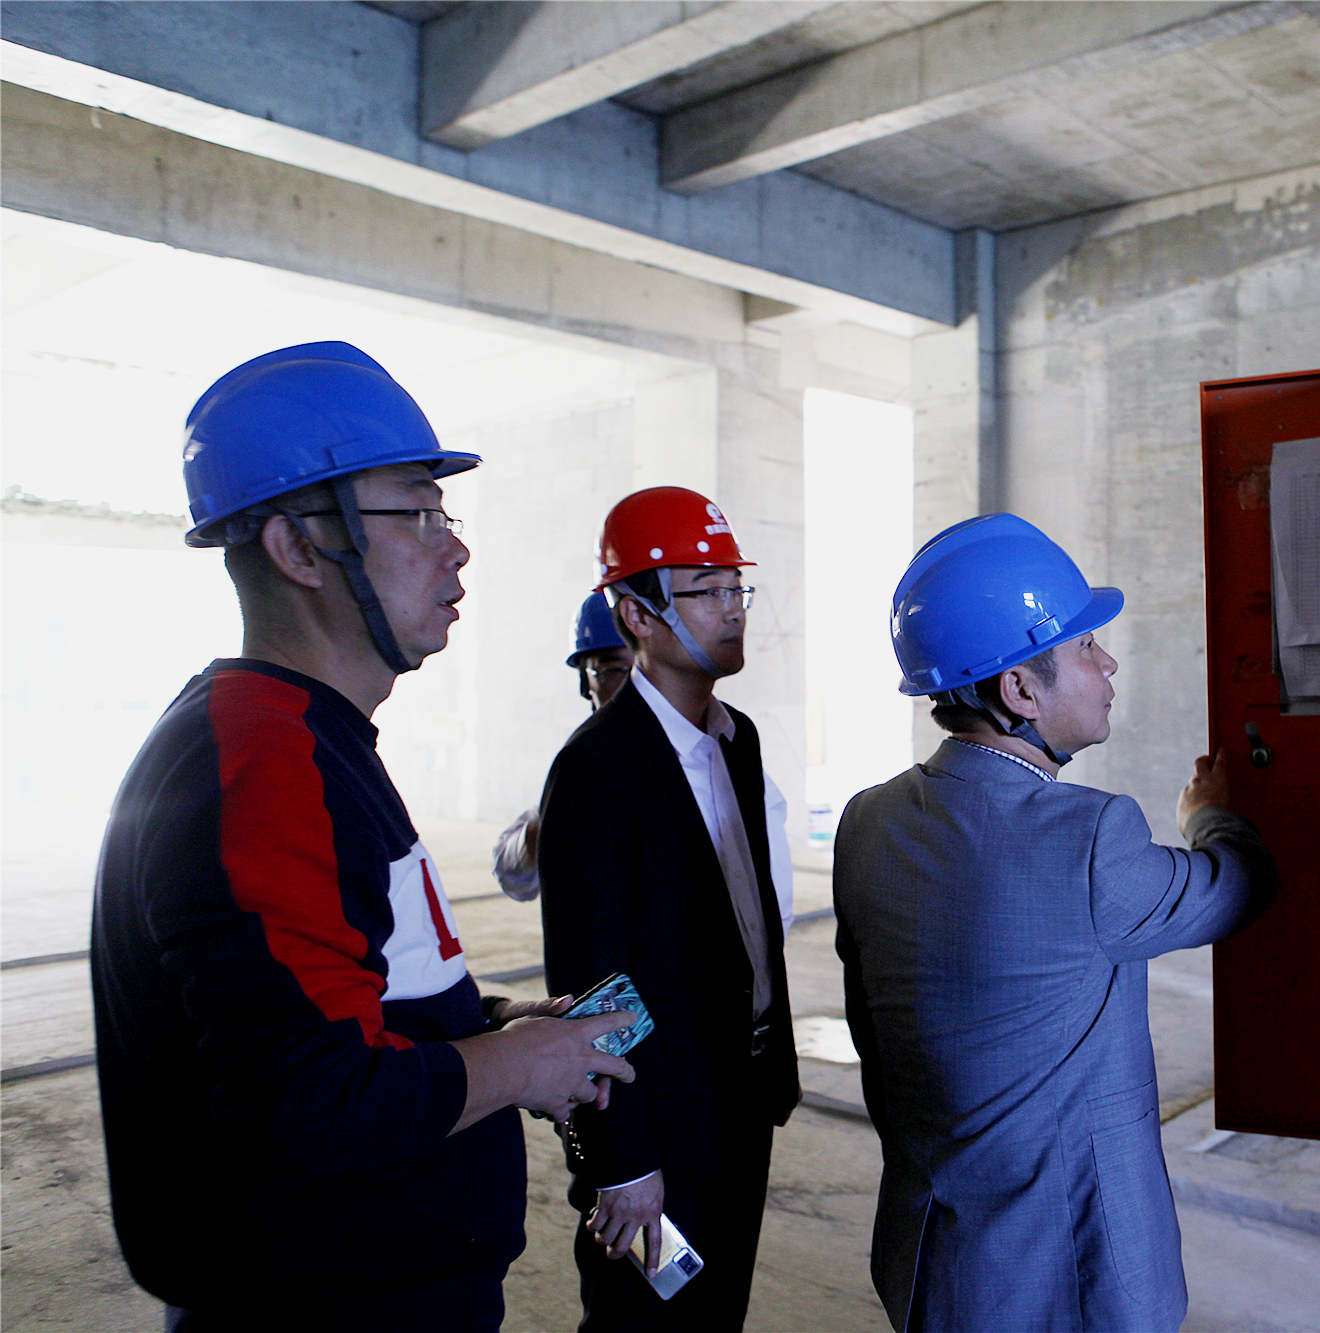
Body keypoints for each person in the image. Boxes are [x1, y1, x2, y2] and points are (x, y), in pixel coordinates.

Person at [90, 342, 638, 1332]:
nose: (454, 549)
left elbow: (343, 1000)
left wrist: (499, 1025)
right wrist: (521, 1065)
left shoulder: (308, 738)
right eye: (417, 513)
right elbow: (312, 1099)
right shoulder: (264, 760)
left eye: (445, 515)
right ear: (301, 548)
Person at [833, 513, 1279, 1332]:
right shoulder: (1090, 837)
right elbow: (1237, 887)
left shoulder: (868, 821)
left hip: (934, 1265)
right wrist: (1210, 815)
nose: (1108, 664)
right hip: (1071, 1282)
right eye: (1085, 646)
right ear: (1020, 690)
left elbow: (876, 1037)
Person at [536, 485, 801, 1329]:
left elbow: (745, 920)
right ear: (637, 616)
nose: (733, 607)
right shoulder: (598, 768)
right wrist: (620, 1161)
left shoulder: (736, 738)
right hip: (657, 1116)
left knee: (717, 1314)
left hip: (739, 1094)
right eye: (706, 589)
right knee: (644, 1322)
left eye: (736, 585)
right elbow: (591, 981)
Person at [490, 593, 635, 901]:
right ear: (585, 684)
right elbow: (514, 877)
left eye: (646, 671)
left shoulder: (714, 750)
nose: (635, 687)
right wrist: (546, 824)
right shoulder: (581, 767)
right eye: (615, 671)